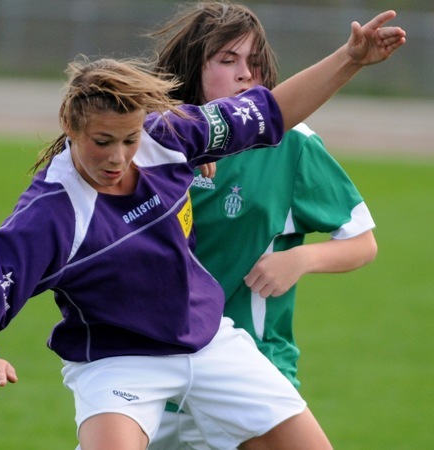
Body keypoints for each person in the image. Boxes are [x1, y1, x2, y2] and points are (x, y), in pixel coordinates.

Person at [0, 11, 405, 450]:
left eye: (129, 140)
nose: (118, 158)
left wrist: (351, 58)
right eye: (102, 142)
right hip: (121, 362)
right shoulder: (50, 214)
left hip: (209, 344)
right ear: (71, 126)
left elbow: (272, 110)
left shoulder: (167, 136)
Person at [147, 2, 382, 448]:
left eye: (254, 61)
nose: (244, 74)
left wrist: (301, 258)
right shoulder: (154, 144)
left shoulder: (291, 144)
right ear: (192, 66)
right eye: (227, 60)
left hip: (252, 364)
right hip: (154, 370)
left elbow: (362, 241)